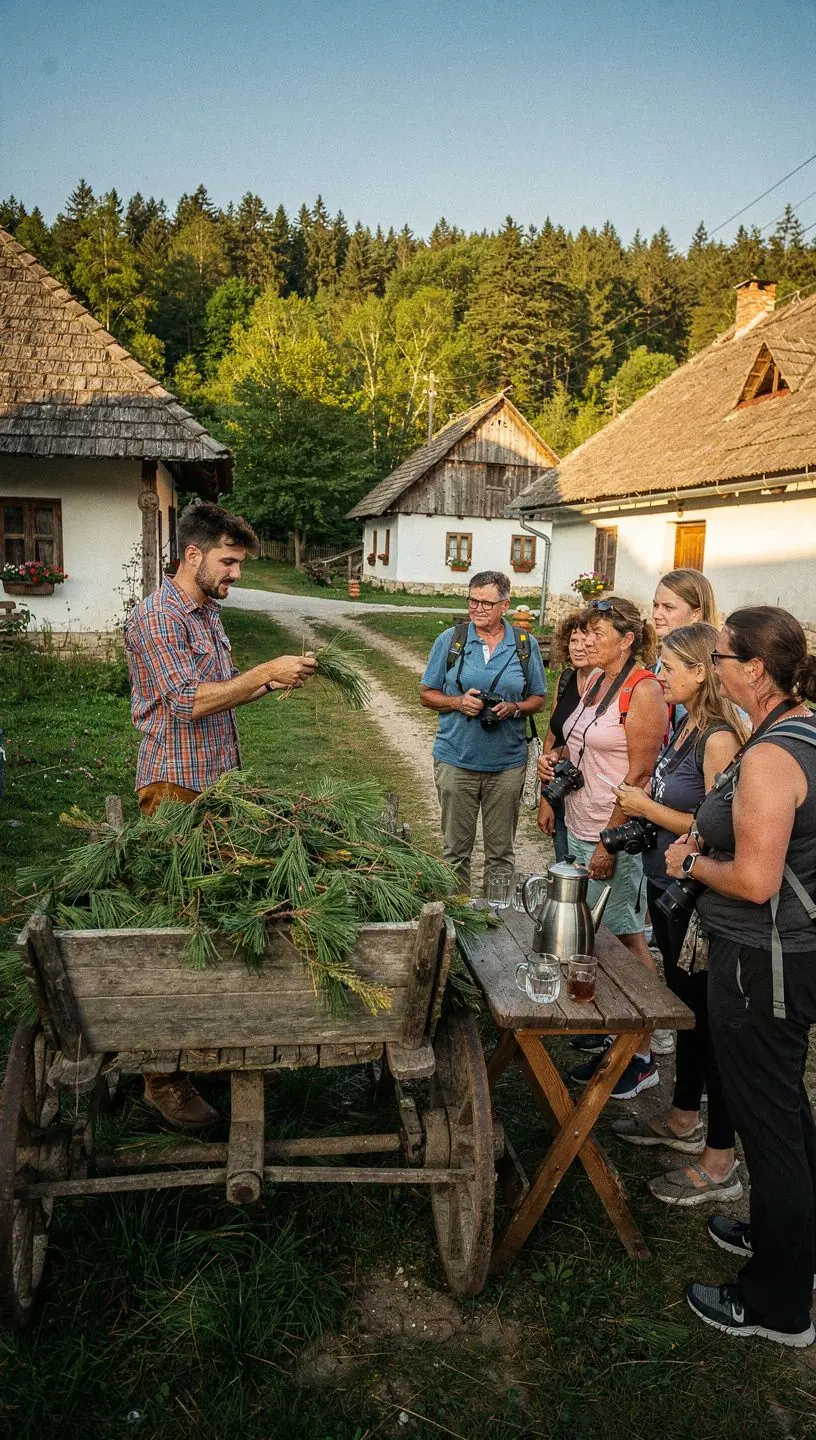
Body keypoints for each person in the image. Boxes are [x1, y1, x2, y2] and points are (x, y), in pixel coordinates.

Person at [124, 500, 318, 1127]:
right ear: (193, 555)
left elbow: (222, 690)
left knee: (213, 914)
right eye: (230, 562)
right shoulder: (158, 618)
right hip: (175, 792)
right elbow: (184, 704)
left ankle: (199, 1036)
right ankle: (161, 1077)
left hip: (217, 788)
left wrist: (268, 682)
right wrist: (262, 669)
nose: (236, 574)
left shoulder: (206, 614)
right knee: (174, 925)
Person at [666, 606, 816, 1348]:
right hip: (792, 952)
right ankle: (792, 1245)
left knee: (769, 1126)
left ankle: (779, 1305)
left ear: (754, 668)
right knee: (785, 1108)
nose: (716, 666)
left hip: (763, 962)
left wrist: (691, 862)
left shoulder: (768, 754)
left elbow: (757, 881)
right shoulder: (804, 727)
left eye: (722, 656)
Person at [609, 623, 746, 1205]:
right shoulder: (683, 724)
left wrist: (645, 808)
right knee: (686, 1013)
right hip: (671, 890)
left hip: (702, 901)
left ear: (700, 672)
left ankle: (721, 1158)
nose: (658, 676)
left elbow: (726, 831)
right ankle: (683, 1117)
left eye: (668, 668)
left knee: (710, 1027)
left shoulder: (718, 738)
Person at [537, 596, 669, 1098]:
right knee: (587, 931)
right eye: (585, 631)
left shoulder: (644, 689)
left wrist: (610, 843)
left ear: (628, 640)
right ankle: (607, 1023)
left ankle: (642, 1051)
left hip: (615, 832)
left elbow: (637, 773)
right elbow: (571, 740)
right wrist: (551, 774)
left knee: (626, 934)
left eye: (598, 633)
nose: (587, 640)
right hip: (577, 817)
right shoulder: (592, 679)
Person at [420, 570, 547, 892]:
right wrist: (457, 702)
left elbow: (539, 698)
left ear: (505, 605)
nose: (477, 609)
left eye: (486, 603)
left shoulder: (523, 644)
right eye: (472, 601)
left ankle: (498, 916)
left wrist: (514, 708)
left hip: (506, 765)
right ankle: (460, 919)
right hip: (456, 760)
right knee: (454, 852)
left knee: (501, 853)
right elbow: (426, 694)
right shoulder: (451, 640)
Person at [543, 614, 598, 862]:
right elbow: (551, 739)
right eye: (573, 640)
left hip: (592, 793)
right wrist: (546, 799)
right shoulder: (566, 679)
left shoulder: (609, 686)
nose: (577, 646)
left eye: (584, 639)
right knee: (564, 867)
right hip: (562, 787)